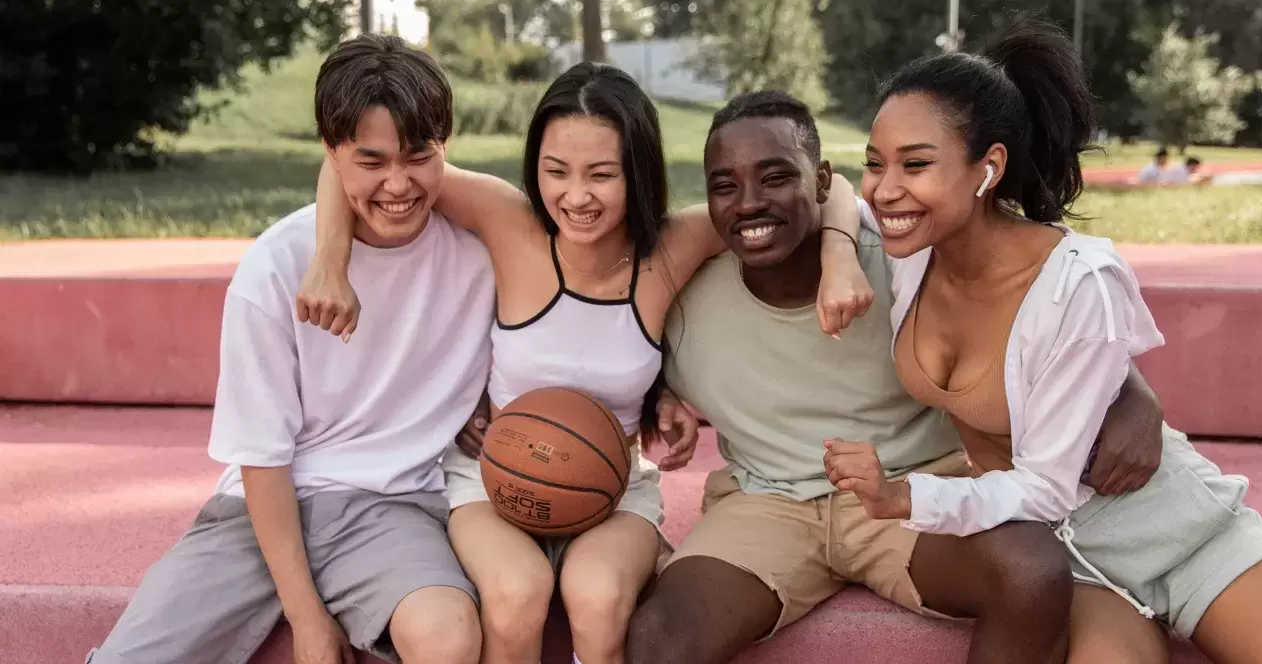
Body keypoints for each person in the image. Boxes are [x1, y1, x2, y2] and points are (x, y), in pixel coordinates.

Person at [298, 63, 872, 664]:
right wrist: (329, 263)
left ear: (639, 174)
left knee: (595, 596)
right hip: (491, 480)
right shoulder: (508, 220)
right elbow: (357, 163)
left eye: (602, 174)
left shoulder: (672, 249)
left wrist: (840, 257)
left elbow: (833, 190)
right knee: (517, 592)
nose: (575, 196)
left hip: (614, 486)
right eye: (556, 172)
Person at [623, 90, 1167, 664]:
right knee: (658, 638)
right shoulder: (684, 300)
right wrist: (663, 393)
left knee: (1030, 570)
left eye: (776, 177)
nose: (750, 203)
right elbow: (615, 355)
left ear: (824, 181)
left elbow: (1036, 314)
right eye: (724, 186)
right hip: (765, 504)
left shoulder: (904, 258)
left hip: (913, 488)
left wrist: (1133, 390)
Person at [833, 20, 1262, 664]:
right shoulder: (911, 250)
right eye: (876, 164)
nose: (885, 189)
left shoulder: (1077, 282)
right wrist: (836, 258)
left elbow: (1046, 484)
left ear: (988, 167)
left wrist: (903, 495)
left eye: (916, 164)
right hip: (1060, 560)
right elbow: (821, 187)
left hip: (1174, 533)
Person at [88, 34, 488, 664]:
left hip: (391, 505)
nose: (398, 184)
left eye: (418, 157)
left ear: (446, 148)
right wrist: (307, 618)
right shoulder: (275, 265)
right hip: (261, 511)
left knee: (448, 635)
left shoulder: (479, 253)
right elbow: (263, 458)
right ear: (331, 154)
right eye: (371, 160)